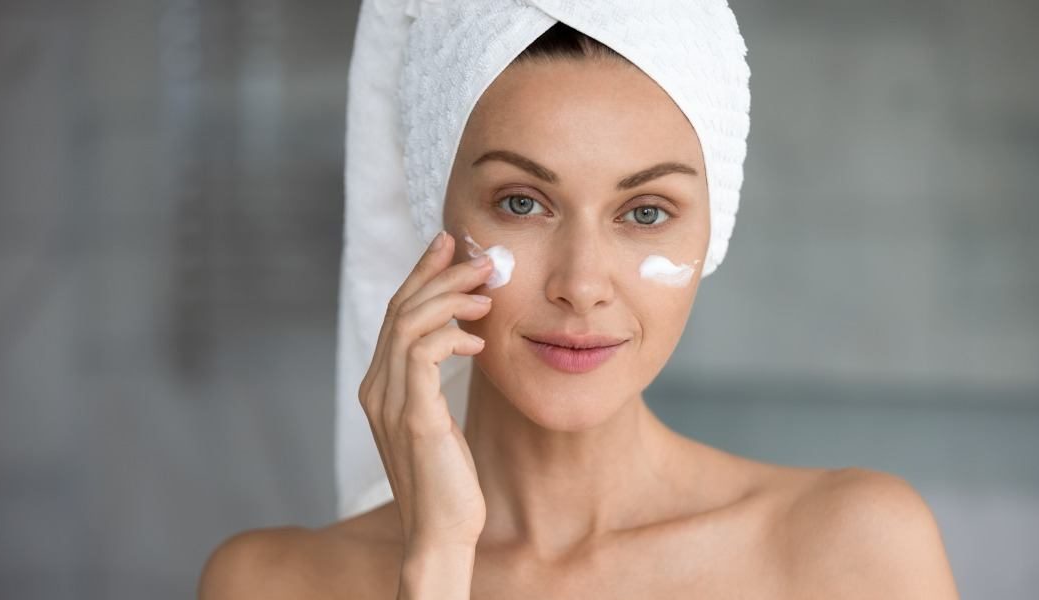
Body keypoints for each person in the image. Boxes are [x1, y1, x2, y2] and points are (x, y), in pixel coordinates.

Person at [198, 17, 959, 600]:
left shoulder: (854, 553)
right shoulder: (271, 583)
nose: (582, 283)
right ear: (435, 213)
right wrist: (436, 561)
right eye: (521, 202)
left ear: (713, 230)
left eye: (646, 212)